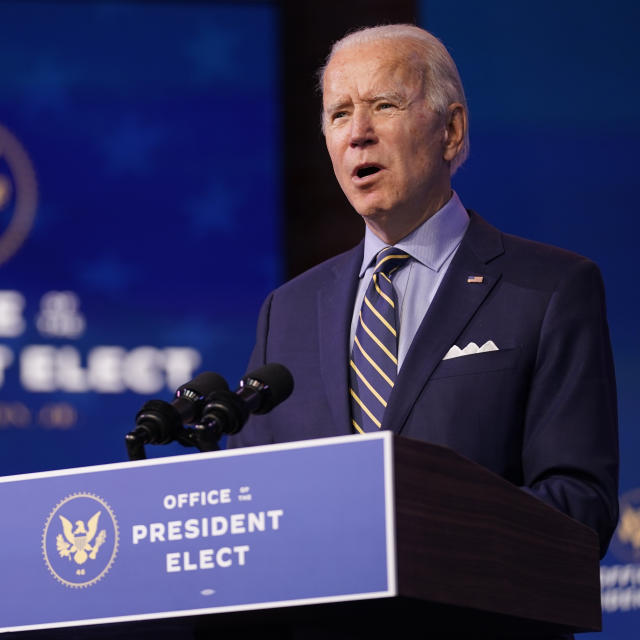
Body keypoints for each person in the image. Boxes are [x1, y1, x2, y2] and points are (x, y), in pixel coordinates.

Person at [227, 24, 619, 556]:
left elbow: (580, 506)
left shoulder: (549, 290)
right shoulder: (287, 312)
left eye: (384, 105)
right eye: (339, 113)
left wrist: (414, 529)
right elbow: (249, 506)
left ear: (451, 131)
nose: (357, 132)